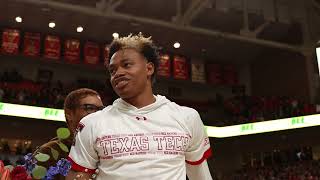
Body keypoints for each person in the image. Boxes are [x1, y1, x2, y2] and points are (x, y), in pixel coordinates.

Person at [67, 34, 213, 180]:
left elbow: (200, 175)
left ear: (149, 68)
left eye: (126, 65)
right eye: (112, 70)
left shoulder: (187, 118)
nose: (118, 73)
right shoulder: (91, 124)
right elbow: (78, 174)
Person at [33, 88, 104, 178]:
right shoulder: (49, 151)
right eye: (89, 108)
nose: (97, 114)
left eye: (101, 110)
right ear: (69, 114)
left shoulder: (105, 149)